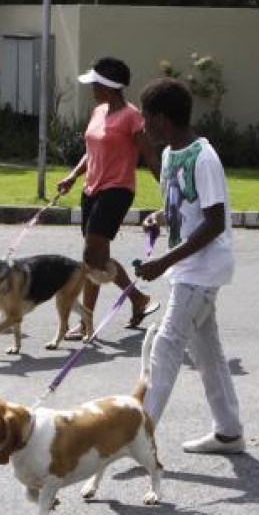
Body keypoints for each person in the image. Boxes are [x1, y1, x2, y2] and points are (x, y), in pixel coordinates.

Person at [133, 77, 245, 454]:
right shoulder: (169, 155)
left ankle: (138, 441)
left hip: (203, 269)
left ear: (162, 120)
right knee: (207, 351)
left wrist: (165, 259)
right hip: (187, 268)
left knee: (165, 346)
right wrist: (159, 217)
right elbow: (181, 206)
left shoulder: (204, 157)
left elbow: (214, 222)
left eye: (146, 119)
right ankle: (229, 432)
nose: (143, 127)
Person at [57, 57, 161, 338]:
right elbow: (90, 152)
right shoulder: (98, 111)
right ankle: (138, 299)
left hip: (117, 190)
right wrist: (72, 176)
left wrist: (169, 186)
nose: (91, 86)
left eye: (95, 82)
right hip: (91, 190)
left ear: (109, 86)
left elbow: (149, 154)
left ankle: (86, 323)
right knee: (99, 258)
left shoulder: (131, 116)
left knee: (91, 255)